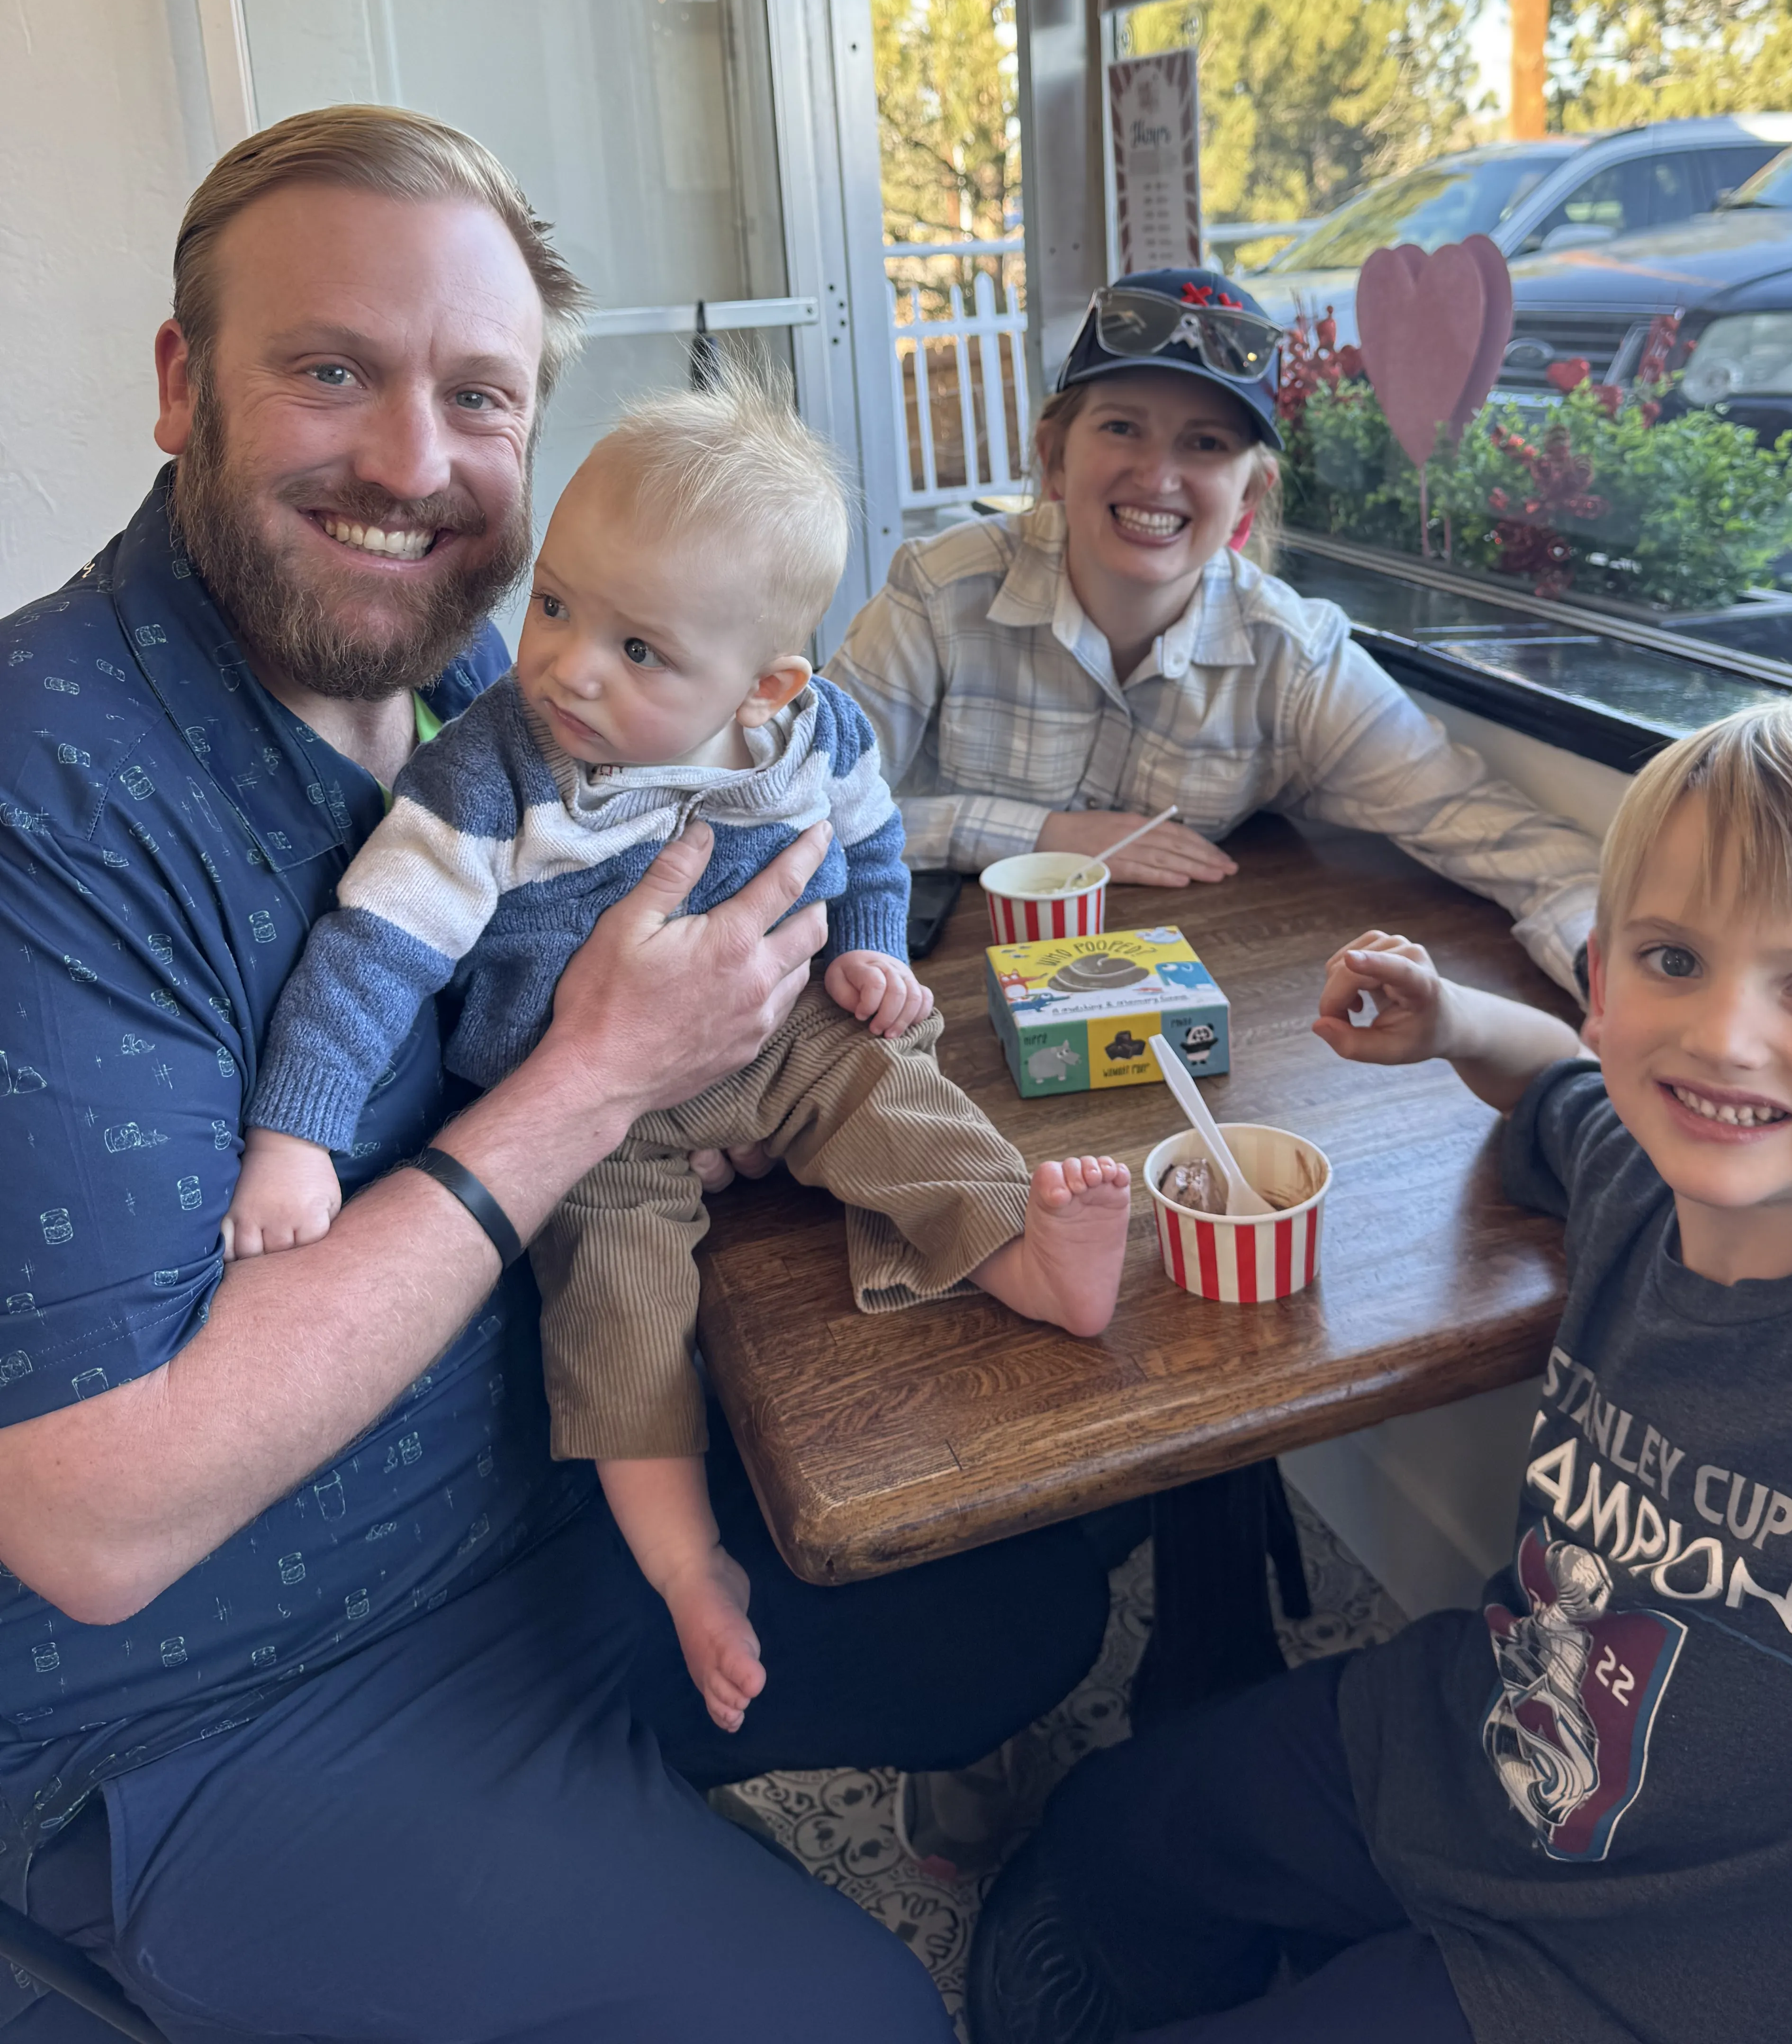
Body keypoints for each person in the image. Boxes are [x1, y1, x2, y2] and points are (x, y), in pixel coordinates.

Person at [0, 107, 1111, 2044]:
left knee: (1021, 1599)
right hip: (223, 1693)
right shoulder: (53, 801)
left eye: (481, 398)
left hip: (528, 1491)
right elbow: (98, 1520)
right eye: (329, 372)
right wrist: (596, 1086)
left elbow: (780, 839)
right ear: (183, 386)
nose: (414, 467)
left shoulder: (482, 691)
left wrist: (758, 1052)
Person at [971, 694, 1792, 2044]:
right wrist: (1454, 1023)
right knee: (1107, 1830)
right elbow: (1557, 1087)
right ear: (1601, 982)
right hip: (1474, 1748)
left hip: (1678, 1970)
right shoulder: (1642, 1176)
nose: (1721, 1036)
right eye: (1672, 959)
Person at [230, 375, 1131, 1735]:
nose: (569, 667)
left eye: (640, 651)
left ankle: (1022, 1250)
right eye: (553, 605)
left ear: (765, 684)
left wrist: (870, 955)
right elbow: (372, 949)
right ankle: (683, 1559)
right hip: (587, 1104)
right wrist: (293, 1133)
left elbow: (870, 839)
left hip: (782, 1031)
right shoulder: (496, 775)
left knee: (904, 1093)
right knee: (615, 1302)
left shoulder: (811, 736)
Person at [827, 266, 1599, 994]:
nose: (1158, 477)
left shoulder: (1293, 660)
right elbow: (796, 809)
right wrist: (1043, 834)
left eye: (1206, 444)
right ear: (1054, 458)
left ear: (1249, 496)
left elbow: (1504, 839)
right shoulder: (937, 591)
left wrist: (1620, 982)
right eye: (1123, 427)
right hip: (906, 998)